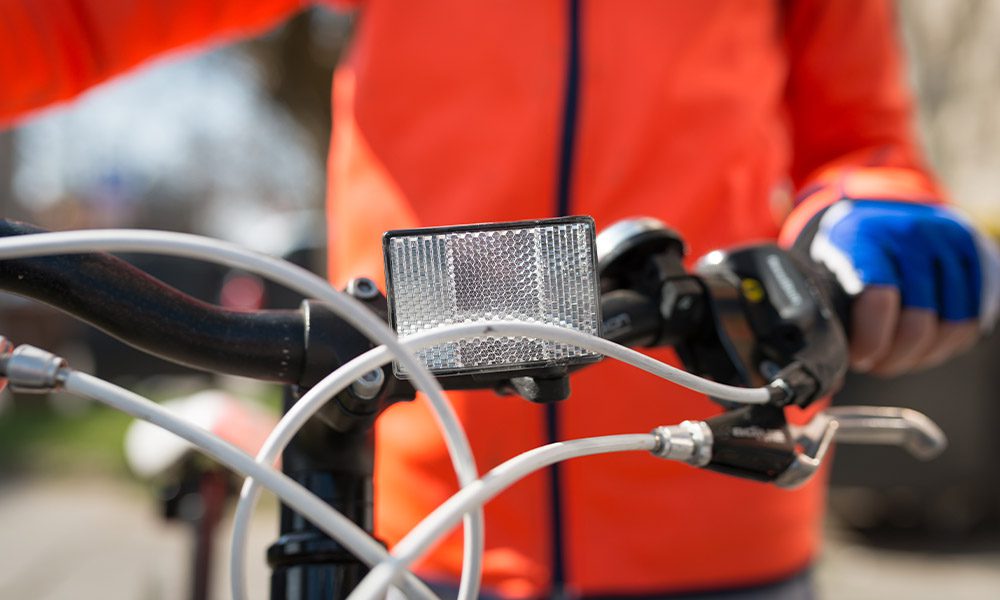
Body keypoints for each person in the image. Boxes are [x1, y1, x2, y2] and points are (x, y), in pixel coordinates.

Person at [3, 1, 998, 598]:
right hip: (421, 504)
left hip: (715, 509)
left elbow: (858, 134)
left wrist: (871, 211)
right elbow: (75, 17)